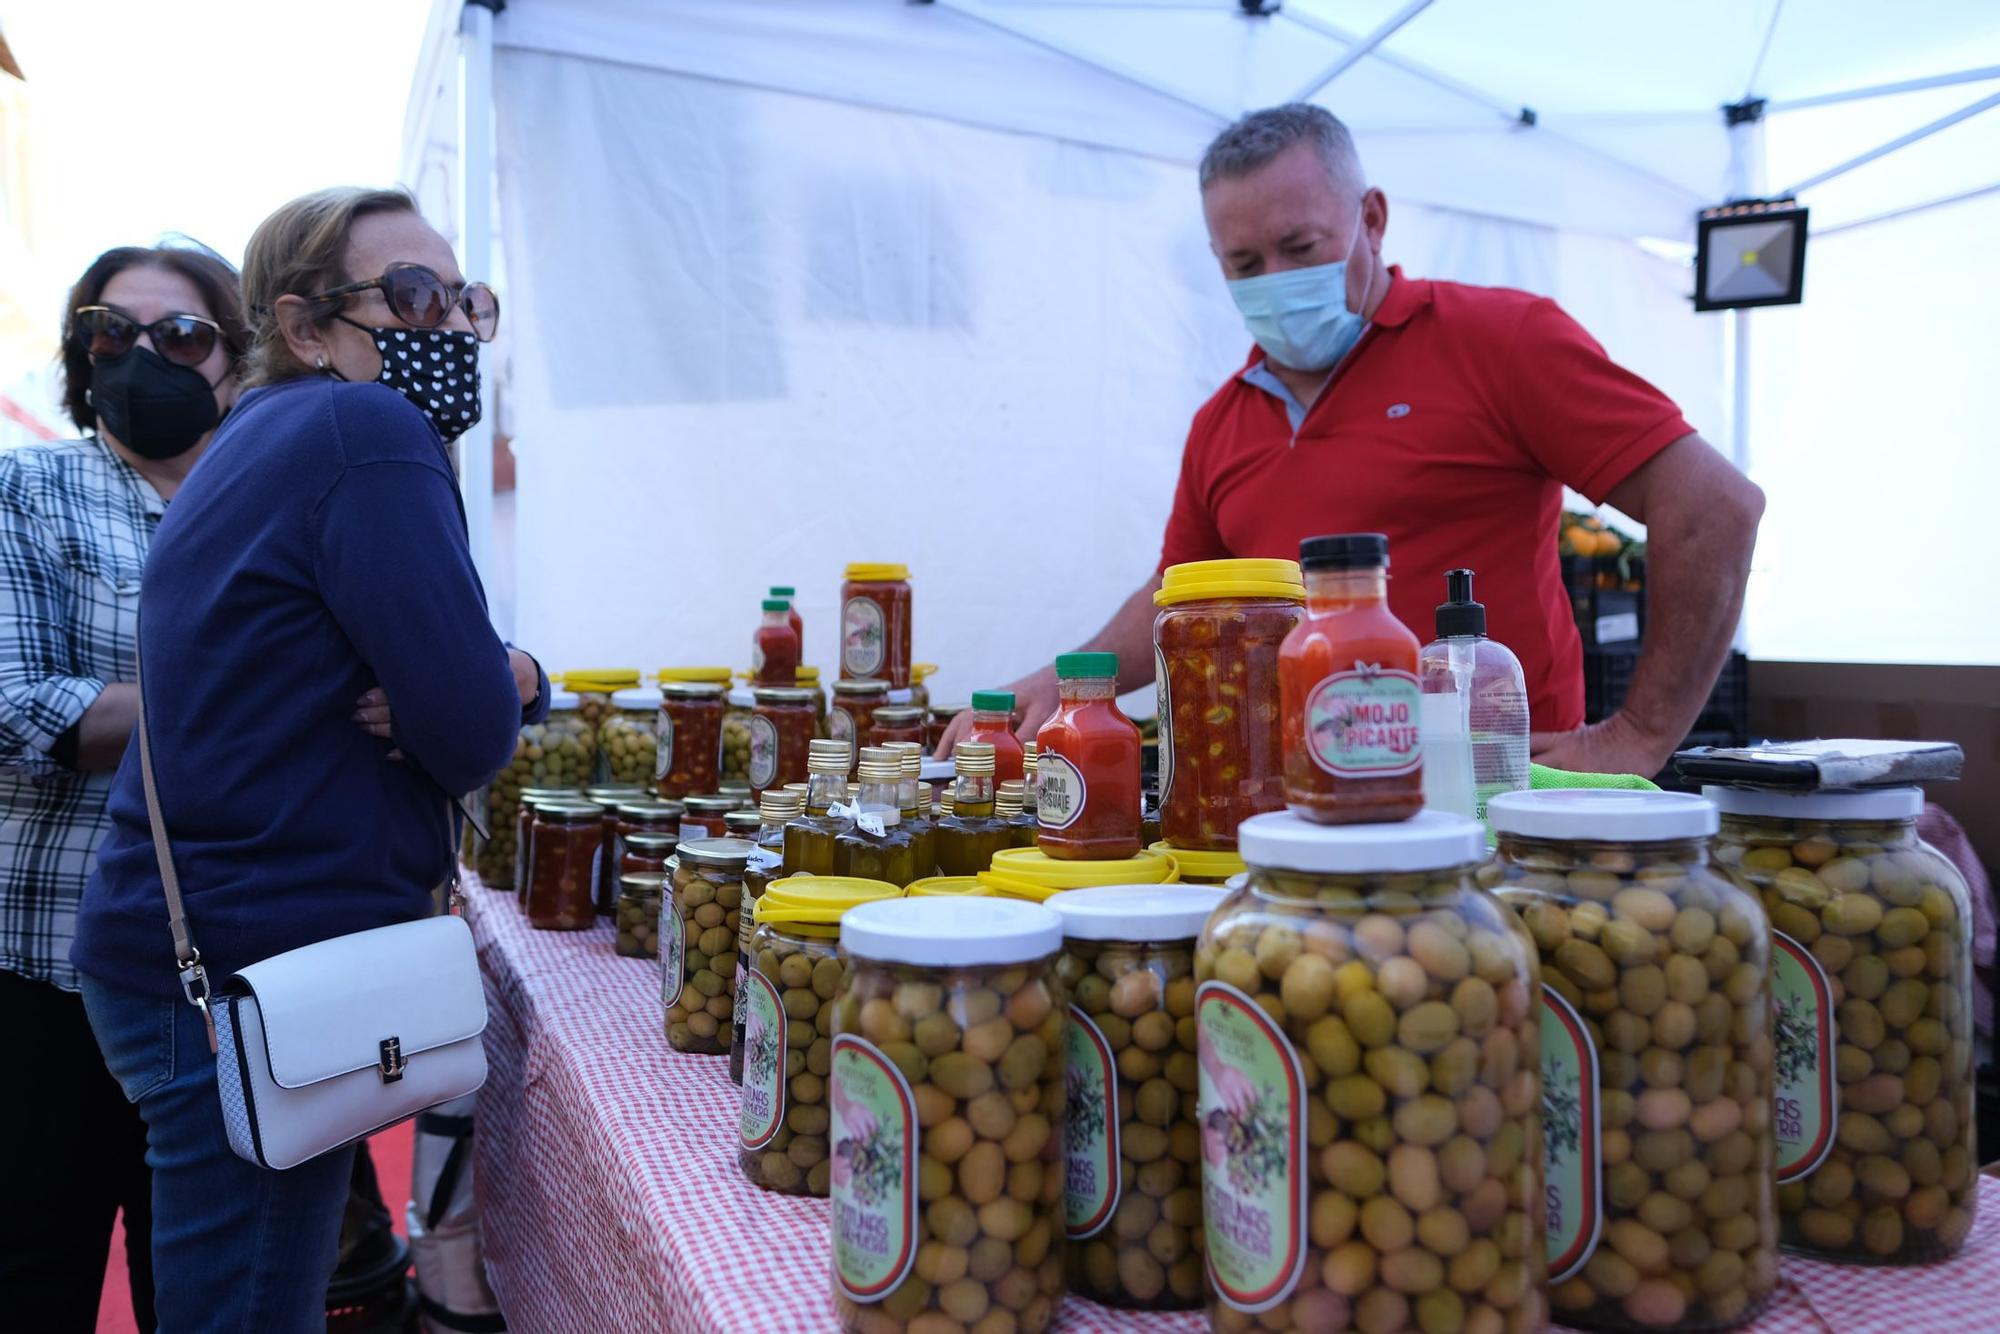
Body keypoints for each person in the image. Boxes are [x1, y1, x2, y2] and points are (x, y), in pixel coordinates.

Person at [941, 105, 1764, 780]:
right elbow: (1178, 598)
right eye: (1244, 263)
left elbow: (1714, 504)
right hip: (1299, 808)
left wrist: (1641, 735)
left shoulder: (1501, 340)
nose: (1274, 282)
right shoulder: (1222, 421)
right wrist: (1063, 681)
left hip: (1492, 804)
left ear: (1371, 219)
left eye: (1300, 249)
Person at [70, 186, 546, 1331]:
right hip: (241, 968)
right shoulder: (360, 428)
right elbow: (471, 723)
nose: (447, 325)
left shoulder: (263, 438)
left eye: (463, 298)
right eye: (412, 295)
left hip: (209, 955)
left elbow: (437, 691)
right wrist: (518, 677)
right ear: (304, 325)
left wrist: (484, 677)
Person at [0, 240, 254, 1331]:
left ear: (235, 364)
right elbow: (14, 705)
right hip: (45, 964)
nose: (144, 355)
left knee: (197, 1284)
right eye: (114, 331)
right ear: (81, 352)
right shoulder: (23, 485)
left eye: (183, 334)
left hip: (232, 975)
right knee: (31, 1270)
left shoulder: (269, 500)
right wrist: (252, 703)